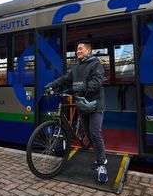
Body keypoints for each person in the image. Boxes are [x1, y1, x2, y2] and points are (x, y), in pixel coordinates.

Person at [45, 40, 108, 183]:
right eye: (77, 49)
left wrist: (79, 88)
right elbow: (65, 79)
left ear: (88, 50)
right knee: (89, 135)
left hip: (95, 106)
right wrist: (51, 85)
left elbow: (97, 82)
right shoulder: (76, 68)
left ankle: (102, 165)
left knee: (95, 133)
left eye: (80, 49)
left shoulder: (96, 64)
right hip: (82, 105)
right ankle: (91, 147)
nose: (78, 51)